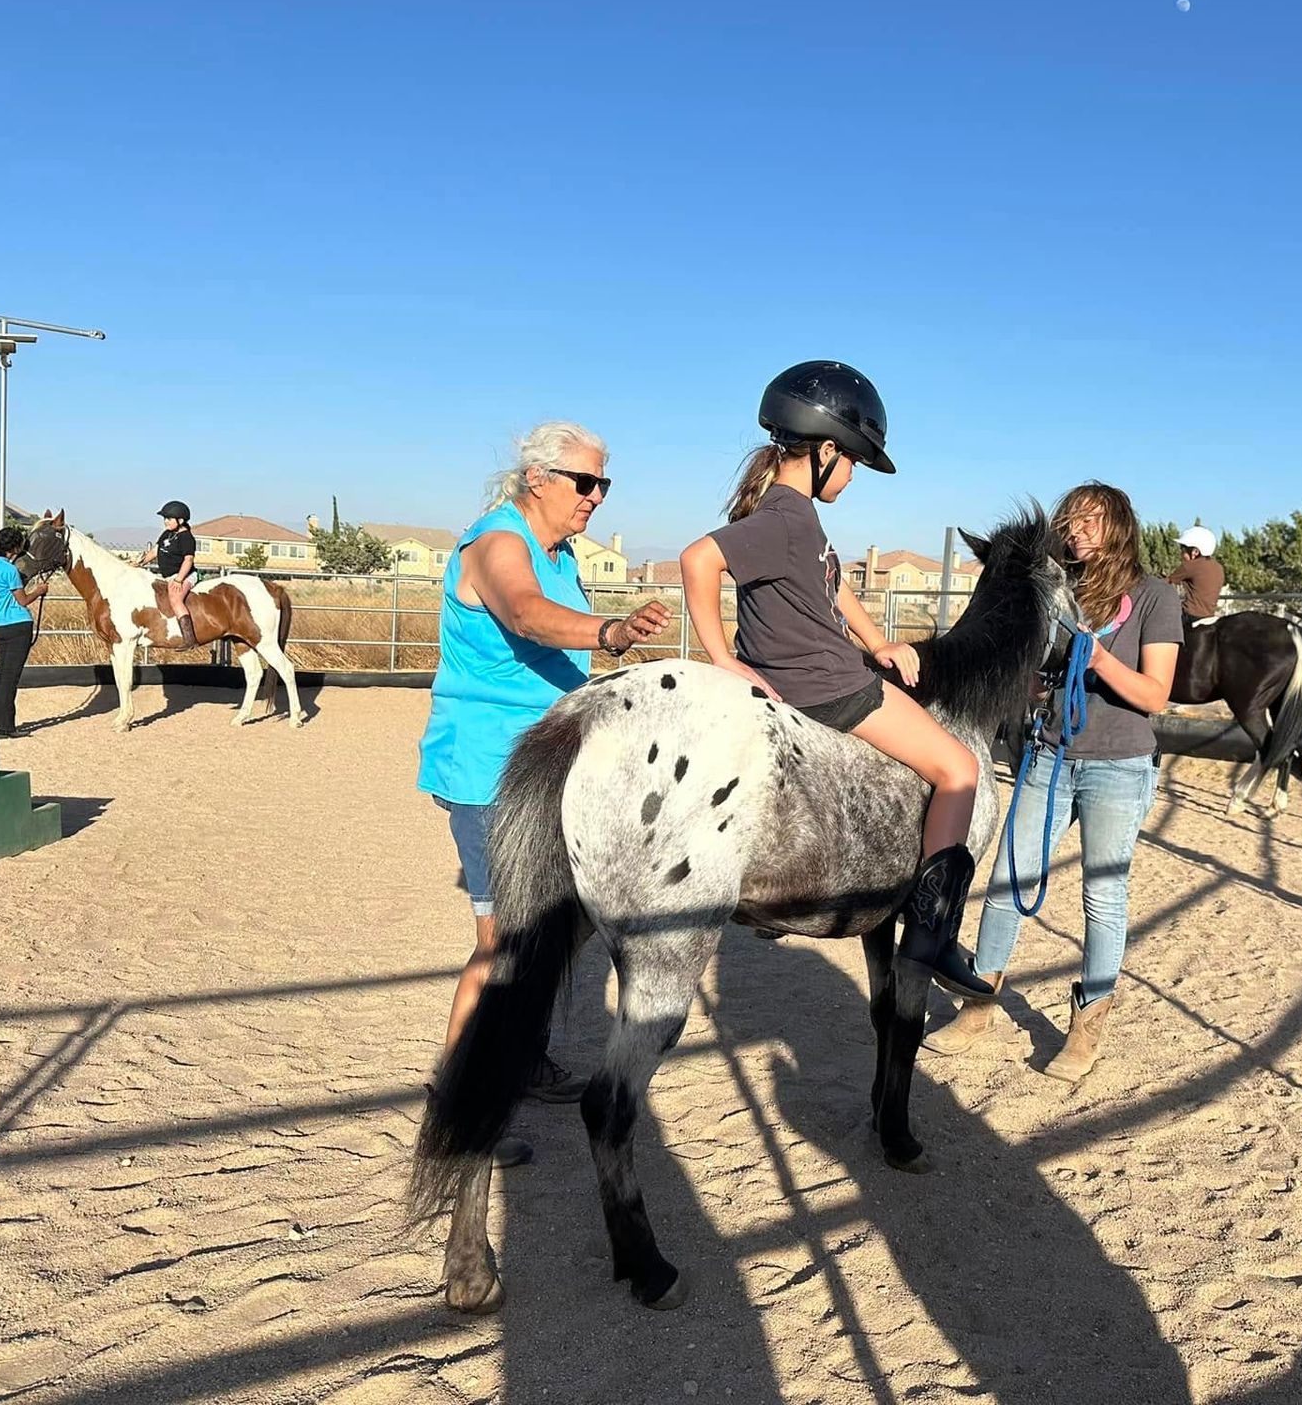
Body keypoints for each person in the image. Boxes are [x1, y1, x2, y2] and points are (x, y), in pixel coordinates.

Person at [678, 360, 991, 998]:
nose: (851, 476)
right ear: (824, 451)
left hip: (813, 675)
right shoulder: (785, 519)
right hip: (829, 688)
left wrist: (877, 640)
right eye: (850, 462)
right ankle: (933, 934)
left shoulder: (791, 516)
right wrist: (720, 656)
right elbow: (697, 558)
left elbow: (833, 582)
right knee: (960, 768)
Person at [419, 421, 671, 1151]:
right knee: (501, 943)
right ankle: (455, 1107)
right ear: (538, 479)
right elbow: (526, 616)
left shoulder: (560, 553)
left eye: (604, 484)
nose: (596, 497)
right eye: (585, 482)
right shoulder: (498, 542)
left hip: (550, 762)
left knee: (546, 933)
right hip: (491, 768)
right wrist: (612, 634)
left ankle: (520, 1060)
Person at [926, 482, 1182, 1080]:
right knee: (1008, 880)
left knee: (1103, 894)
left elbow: (1157, 695)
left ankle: (1088, 1025)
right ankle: (979, 1003)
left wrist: (1097, 660)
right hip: (1050, 754)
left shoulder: (1154, 597)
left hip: (1118, 765)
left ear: (1119, 527)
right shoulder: (1057, 591)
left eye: (1091, 522)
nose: (1076, 531)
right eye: (1071, 521)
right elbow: (1040, 673)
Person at [0, 526, 49, 739]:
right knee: (11, 678)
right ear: (16, 547)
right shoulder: (10, 570)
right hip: (18, 625)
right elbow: (23, 600)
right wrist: (40, 590)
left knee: (1, 674)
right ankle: (5, 725)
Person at [137, 501, 199, 645]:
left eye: (169, 519)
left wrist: (179, 580)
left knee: (175, 598)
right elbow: (154, 552)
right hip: (169, 576)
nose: (165, 522)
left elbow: (188, 560)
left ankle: (189, 639)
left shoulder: (187, 538)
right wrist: (140, 563)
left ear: (181, 520)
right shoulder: (167, 534)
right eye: (165, 518)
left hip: (185, 574)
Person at [1165, 525, 1224, 625]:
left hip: (1190, 615)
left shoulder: (1190, 566)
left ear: (1195, 552)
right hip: (1210, 615)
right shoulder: (1218, 567)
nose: (1181, 553)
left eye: (1182, 549)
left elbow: (1166, 582)